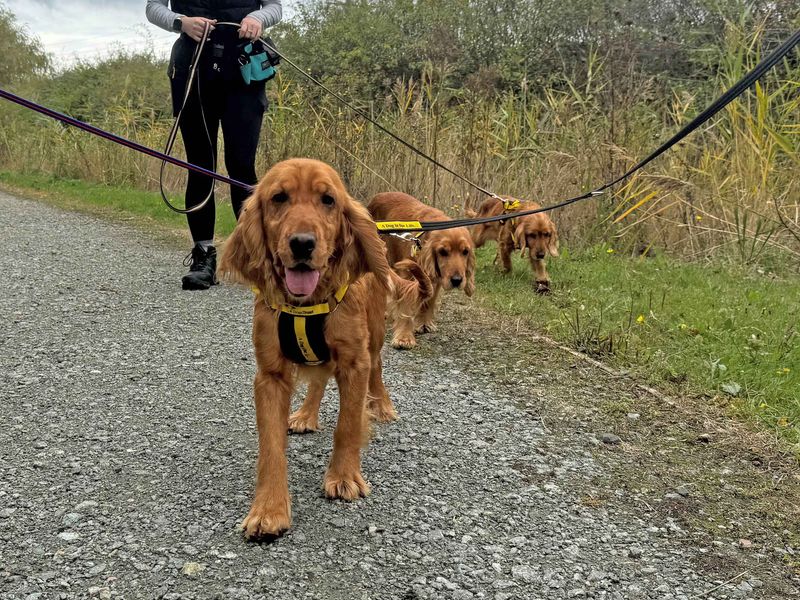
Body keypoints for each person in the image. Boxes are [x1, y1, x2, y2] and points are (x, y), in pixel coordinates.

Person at [146, 0, 282, 290]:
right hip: (192, 70)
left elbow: (275, 7)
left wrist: (258, 18)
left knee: (243, 167)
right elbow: (153, 8)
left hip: (244, 69)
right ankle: (203, 255)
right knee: (199, 165)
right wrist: (181, 22)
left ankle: (257, 256)